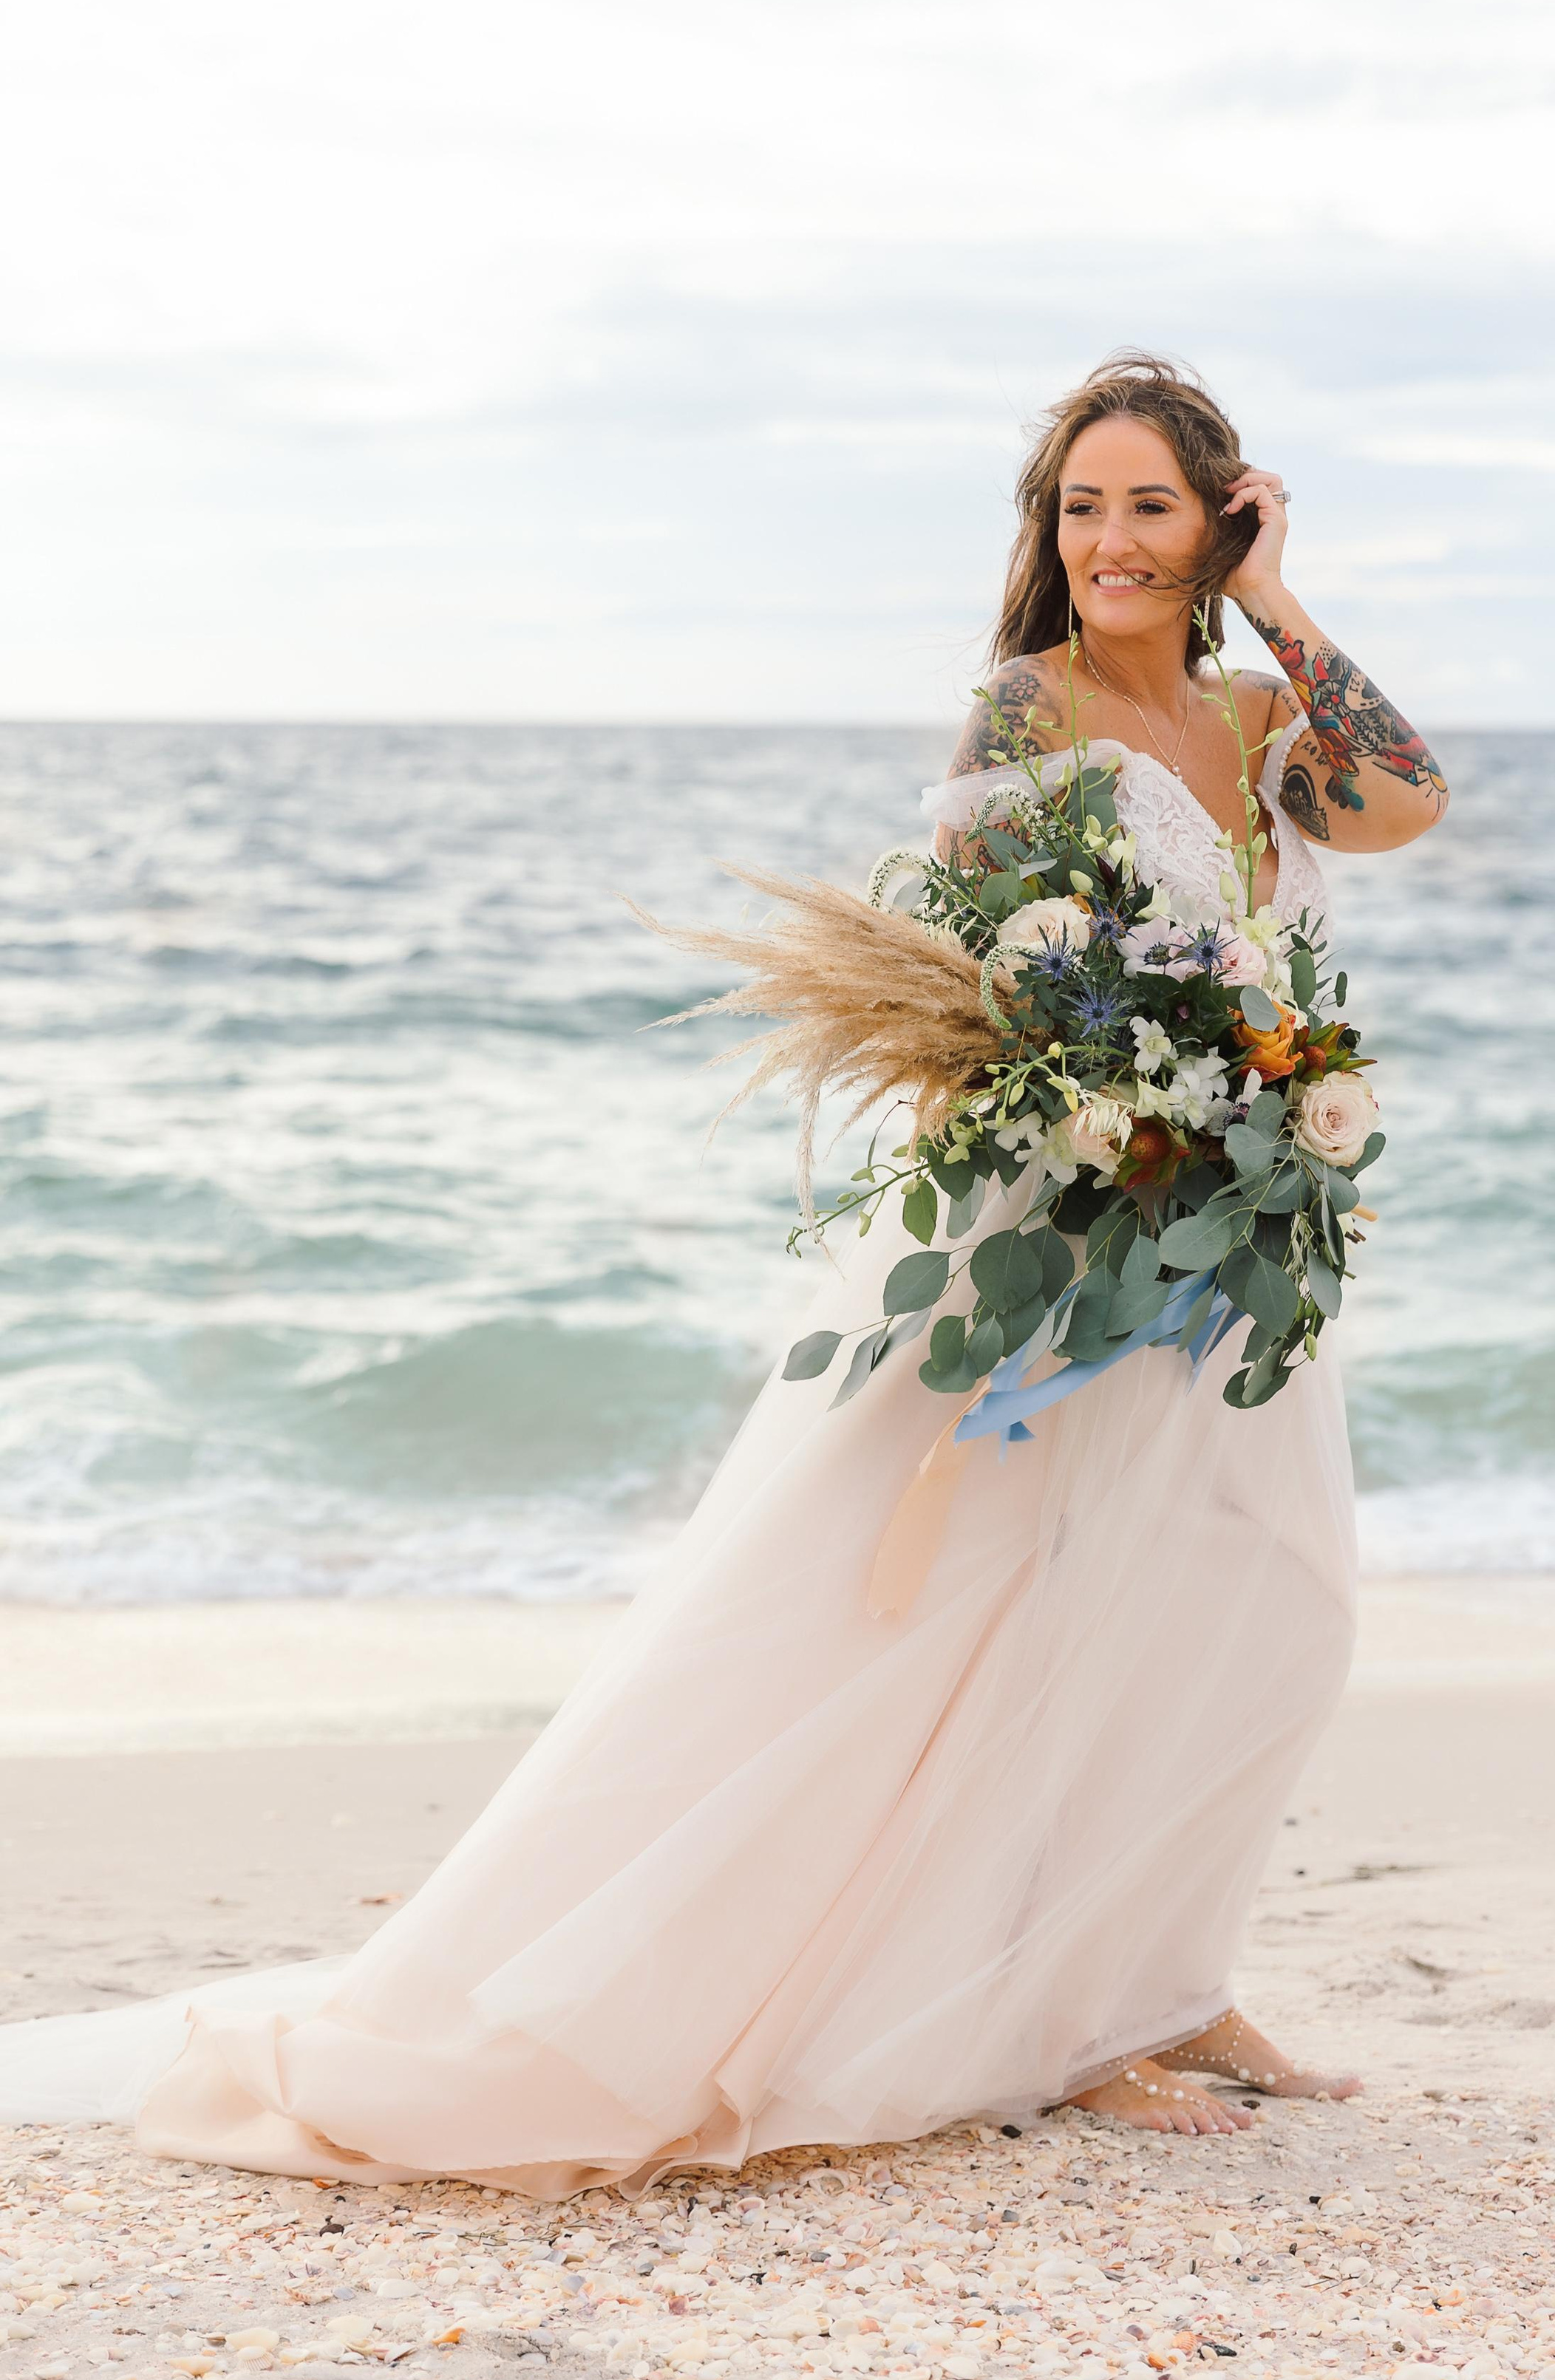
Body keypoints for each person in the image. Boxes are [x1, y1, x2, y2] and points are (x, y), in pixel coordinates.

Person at [0, 352, 1448, 2192]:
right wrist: (1111, 1103)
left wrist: (1276, 601)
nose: (1107, 540)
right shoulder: (1026, 708)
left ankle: (1173, 1978)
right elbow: (989, 970)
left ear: (1218, 517)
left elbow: (1402, 800)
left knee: (1261, 1604)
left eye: (1148, 505)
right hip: (1071, 1215)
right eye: (1078, 506)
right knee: (1052, 1609)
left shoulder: (1254, 719)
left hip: (1231, 1225)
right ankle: (1073, 2020)